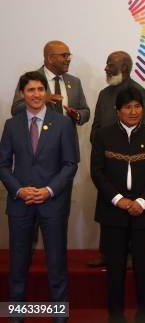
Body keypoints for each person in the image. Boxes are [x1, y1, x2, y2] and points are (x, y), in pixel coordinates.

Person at [0, 71, 77, 323]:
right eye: (30, 90)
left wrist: (48, 190)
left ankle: (59, 318)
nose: (36, 94)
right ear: (22, 94)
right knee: (18, 265)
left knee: (56, 265)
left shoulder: (63, 123)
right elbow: (2, 165)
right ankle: (17, 318)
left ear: (46, 93)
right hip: (20, 203)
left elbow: (69, 164)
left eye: (40, 89)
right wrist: (20, 190)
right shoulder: (11, 125)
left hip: (52, 203)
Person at [90, 87, 145, 323]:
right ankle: (116, 315)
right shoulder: (103, 135)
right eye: (127, 107)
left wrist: (141, 202)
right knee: (115, 268)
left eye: (137, 106)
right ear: (117, 111)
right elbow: (97, 172)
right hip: (112, 211)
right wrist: (119, 200)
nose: (133, 111)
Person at [89, 50, 145, 268]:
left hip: (133, 162)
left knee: (132, 208)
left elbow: (142, 129)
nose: (105, 68)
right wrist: (102, 146)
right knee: (107, 206)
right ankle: (106, 253)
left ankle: (130, 254)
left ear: (124, 68)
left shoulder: (138, 92)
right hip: (106, 162)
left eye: (110, 65)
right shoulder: (104, 94)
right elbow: (95, 127)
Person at [11, 40, 90, 162]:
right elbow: (16, 109)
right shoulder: (31, 79)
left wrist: (77, 115)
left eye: (69, 55)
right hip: (37, 148)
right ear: (50, 58)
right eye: (64, 55)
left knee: (65, 181)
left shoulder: (75, 82)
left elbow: (85, 110)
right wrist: (43, 100)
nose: (68, 59)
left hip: (67, 149)